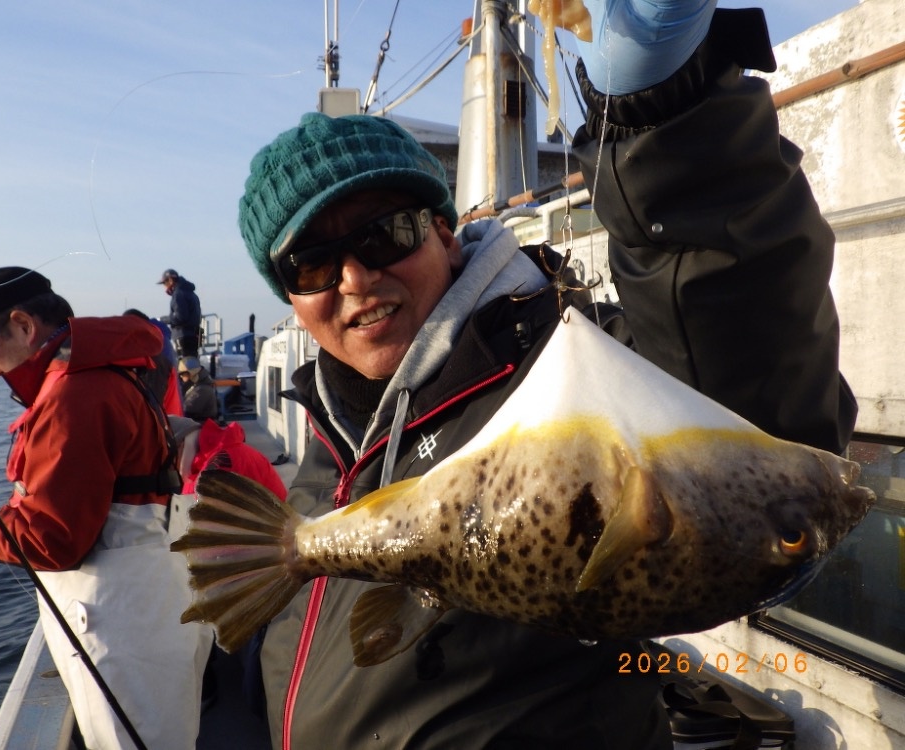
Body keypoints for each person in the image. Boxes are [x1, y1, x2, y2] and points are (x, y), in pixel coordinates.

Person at [233, 3, 857, 748]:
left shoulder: (558, 364)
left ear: (444, 233)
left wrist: (669, 109)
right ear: (290, 297)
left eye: (386, 234)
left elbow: (742, 376)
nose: (356, 279)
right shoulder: (329, 428)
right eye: (311, 266)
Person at [0, 267, 213, 750]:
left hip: (123, 627)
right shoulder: (109, 371)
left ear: (22, 325)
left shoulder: (72, 394)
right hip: (152, 603)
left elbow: (51, 538)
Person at [124, 307, 183, 417]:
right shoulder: (159, 341)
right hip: (171, 417)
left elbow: (152, 405)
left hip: (165, 421)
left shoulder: (152, 356)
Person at [158, 268, 202, 358]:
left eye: (165, 283)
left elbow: (181, 317)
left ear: (170, 281)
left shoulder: (178, 294)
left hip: (183, 336)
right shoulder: (191, 293)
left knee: (184, 363)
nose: (165, 287)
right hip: (194, 335)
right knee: (192, 362)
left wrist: (162, 320)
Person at [178, 355, 220, 422]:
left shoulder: (202, 389)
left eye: (183, 374)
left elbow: (187, 409)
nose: (181, 376)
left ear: (191, 373)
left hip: (200, 425)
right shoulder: (197, 386)